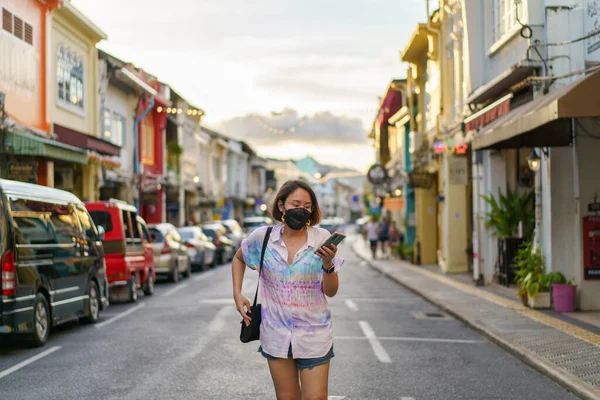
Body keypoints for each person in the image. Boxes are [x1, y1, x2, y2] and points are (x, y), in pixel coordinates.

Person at [231, 180, 343, 400]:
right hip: (276, 335)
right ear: (281, 206)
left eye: (307, 206)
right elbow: (238, 258)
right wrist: (237, 292)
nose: (302, 210)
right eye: (296, 203)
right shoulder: (263, 239)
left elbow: (331, 291)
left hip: (314, 336)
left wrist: (328, 264)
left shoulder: (321, 239)